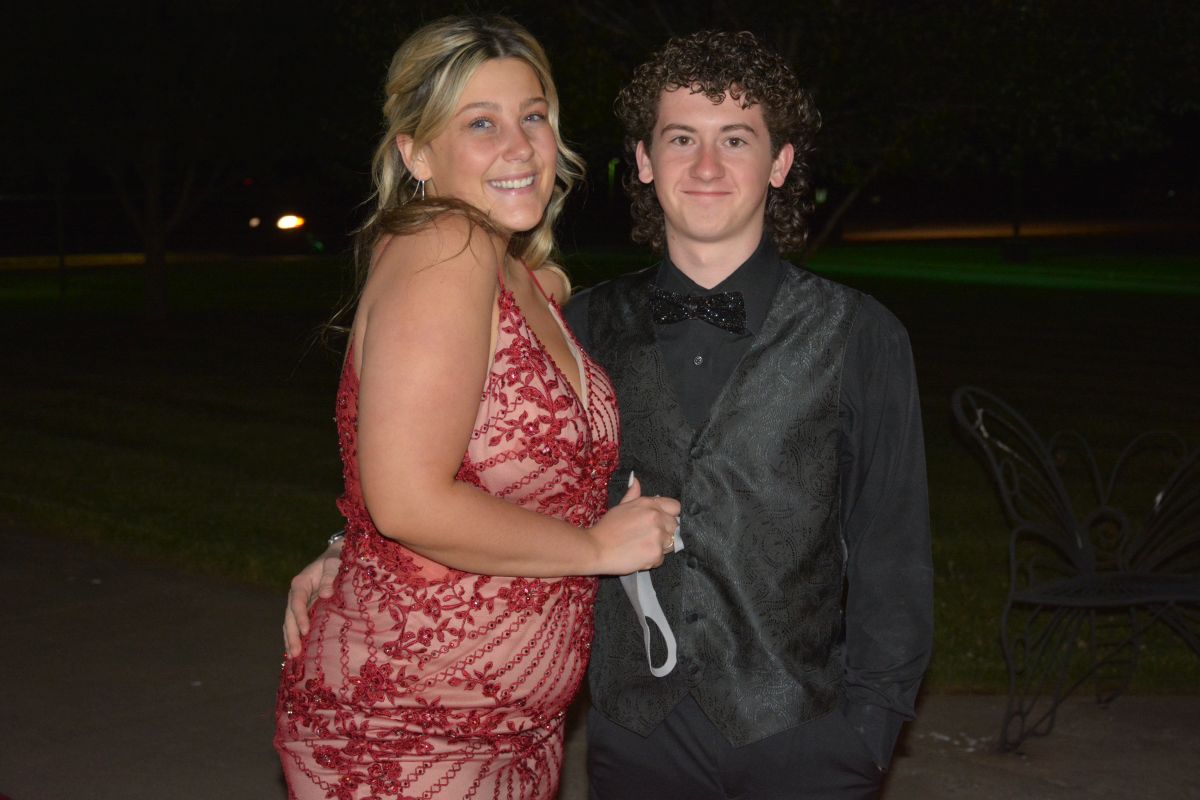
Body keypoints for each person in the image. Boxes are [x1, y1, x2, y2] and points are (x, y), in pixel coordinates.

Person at [288, 27, 933, 800]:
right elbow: (459, 460)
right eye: (681, 138)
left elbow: (892, 551)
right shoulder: (581, 326)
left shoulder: (861, 334)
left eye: (736, 139)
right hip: (632, 738)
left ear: (781, 162)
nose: (706, 166)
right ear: (643, 160)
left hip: (801, 738)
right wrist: (352, 543)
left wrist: (869, 734)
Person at [274, 16, 681, 800]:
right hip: (407, 732)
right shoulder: (444, 249)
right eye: (481, 124)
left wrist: (347, 541)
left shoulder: (524, 277)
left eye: (533, 116)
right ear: (416, 153)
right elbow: (407, 500)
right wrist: (595, 548)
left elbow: (429, 458)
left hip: (514, 733)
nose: (520, 146)